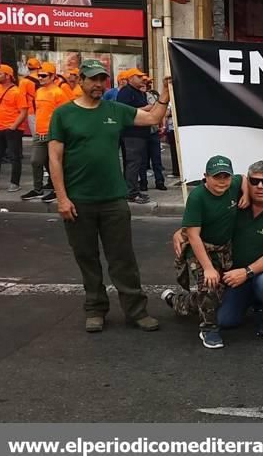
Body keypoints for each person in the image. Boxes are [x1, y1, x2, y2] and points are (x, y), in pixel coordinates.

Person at [48, 59, 170, 333]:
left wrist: (164, 93)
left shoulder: (115, 110)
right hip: (79, 200)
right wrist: (62, 198)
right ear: (80, 81)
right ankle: (95, 309)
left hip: (113, 199)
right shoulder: (63, 114)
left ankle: (136, 311)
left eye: (102, 79)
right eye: (93, 79)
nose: (98, 84)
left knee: (123, 258)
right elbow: (54, 159)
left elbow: (152, 118)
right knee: (87, 258)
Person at [165, 161, 263, 338]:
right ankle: (179, 301)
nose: (259, 186)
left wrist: (247, 272)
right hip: (234, 270)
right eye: (254, 181)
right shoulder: (236, 201)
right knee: (224, 319)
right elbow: (209, 220)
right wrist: (183, 232)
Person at [162, 155, 250, 349]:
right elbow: (193, 236)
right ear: (205, 177)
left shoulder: (234, 184)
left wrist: (247, 194)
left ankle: (178, 301)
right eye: (216, 176)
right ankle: (209, 329)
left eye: (226, 176)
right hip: (201, 247)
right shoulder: (197, 197)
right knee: (209, 284)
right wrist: (208, 267)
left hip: (224, 248)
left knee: (220, 294)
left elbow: (243, 178)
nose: (222, 181)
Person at [21, 62, 68, 203]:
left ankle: (56, 190)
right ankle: (38, 189)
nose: (40, 78)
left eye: (43, 75)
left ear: (53, 76)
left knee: (54, 163)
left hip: (53, 134)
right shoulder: (39, 91)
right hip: (39, 132)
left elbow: (65, 115)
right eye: (39, 75)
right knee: (36, 161)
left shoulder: (59, 93)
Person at [116, 68, 152, 204]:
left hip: (140, 133)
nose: (142, 79)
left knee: (135, 163)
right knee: (132, 163)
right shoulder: (126, 92)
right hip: (131, 134)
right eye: (138, 76)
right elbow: (122, 111)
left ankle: (132, 190)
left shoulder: (138, 92)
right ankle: (131, 193)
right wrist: (146, 108)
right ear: (130, 78)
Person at [0, 64, 28, 193]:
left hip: (12, 129)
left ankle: (14, 183)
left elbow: (23, 111)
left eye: (0, 73)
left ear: (8, 76)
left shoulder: (17, 91)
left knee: (14, 157)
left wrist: (13, 127)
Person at [19, 58, 41, 139]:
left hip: (32, 111)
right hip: (45, 109)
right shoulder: (45, 78)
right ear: (39, 67)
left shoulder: (24, 81)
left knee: (37, 137)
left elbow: (21, 98)